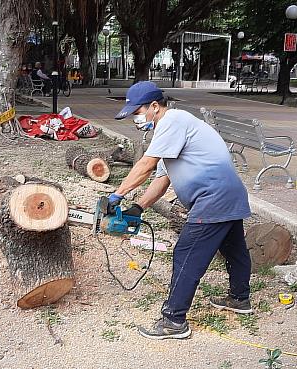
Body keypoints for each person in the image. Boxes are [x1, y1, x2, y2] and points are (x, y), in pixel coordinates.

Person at [108, 81, 253, 340]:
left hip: (213, 197)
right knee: (233, 248)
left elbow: (146, 165)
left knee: (186, 253)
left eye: (137, 112)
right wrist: (138, 207)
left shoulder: (173, 120)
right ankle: (240, 299)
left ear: (155, 106)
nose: (135, 119)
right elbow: (161, 180)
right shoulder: (171, 131)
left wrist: (117, 194)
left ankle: (174, 320)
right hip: (228, 195)